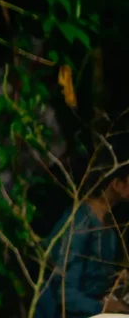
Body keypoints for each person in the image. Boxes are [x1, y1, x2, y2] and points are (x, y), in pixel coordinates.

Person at [35, 135, 129, 318]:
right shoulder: (80, 223)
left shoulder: (107, 222)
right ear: (117, 183)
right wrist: (104, 309)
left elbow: (93, 277)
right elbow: (67, 295)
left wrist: (117, 279)